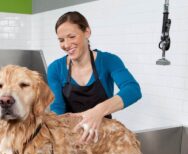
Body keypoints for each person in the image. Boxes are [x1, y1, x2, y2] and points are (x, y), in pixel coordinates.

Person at [47, 11, 142, 143]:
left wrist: (98, 111)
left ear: (87, 32)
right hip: (71, 138)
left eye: (72, 36)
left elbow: (133, 90)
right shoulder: (55, 68)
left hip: (104, 138)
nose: (67, 45)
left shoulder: (109, 61)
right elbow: (57, 108)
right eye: (61, 40)